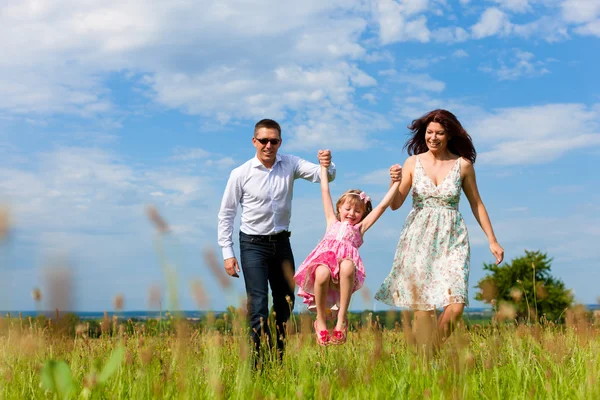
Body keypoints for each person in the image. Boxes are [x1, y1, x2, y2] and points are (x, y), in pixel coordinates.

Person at [375, 109, 504, 347]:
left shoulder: (462, 165)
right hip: (418, 239)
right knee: (424, 311)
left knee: (455, 306)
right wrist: (393, 182)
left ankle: (430, 350)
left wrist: (492, 240)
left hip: (452, 238)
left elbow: (477, 204)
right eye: (429, 132)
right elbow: (395, 204)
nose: (433, 137)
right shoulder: (412, 162)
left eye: (440, 133)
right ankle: (425, 365)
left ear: (449, 135)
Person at [217, 119, 335, 361]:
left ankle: (277, 357)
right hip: (252, 245)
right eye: (263, 140)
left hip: (281, 244)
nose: (269, 145)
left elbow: (325, 176)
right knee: (258, 305)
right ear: (254, 141)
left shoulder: (290, 163)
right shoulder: (240, 174)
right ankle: (257, 363)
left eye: (274, 141)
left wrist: (327, 164)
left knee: (285, 304)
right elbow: (227, 213)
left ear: (280, 142)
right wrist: (227, 253)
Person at [294, 164, 401, 346]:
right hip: (324, 264)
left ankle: (341, 319)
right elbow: (324, 189)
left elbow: (382, 206)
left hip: (344, 269)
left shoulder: (360, 228)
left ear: (363, 214)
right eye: (348, 209)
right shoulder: (331, 221)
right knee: (321, 273)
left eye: (358, 211)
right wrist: (323, 166)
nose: (352, 214)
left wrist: (396, 182)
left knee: (348, 265)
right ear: (339, 207)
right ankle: (320, 320)